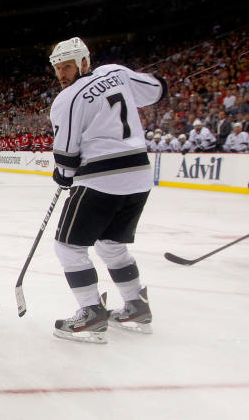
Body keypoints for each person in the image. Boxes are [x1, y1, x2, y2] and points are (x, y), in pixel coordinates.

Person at [48, 37, 167, 343]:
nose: (62, 74)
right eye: (58, 68)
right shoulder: (117, 72)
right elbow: (157, 90)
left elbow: (66, 152)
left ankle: (90, 313)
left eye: (68, 66)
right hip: (140, 176)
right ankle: (136, 306)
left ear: (84, 62)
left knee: (68, 246)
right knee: (111, 244)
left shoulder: (68, 98)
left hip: (101, 178)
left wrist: (63, 175)